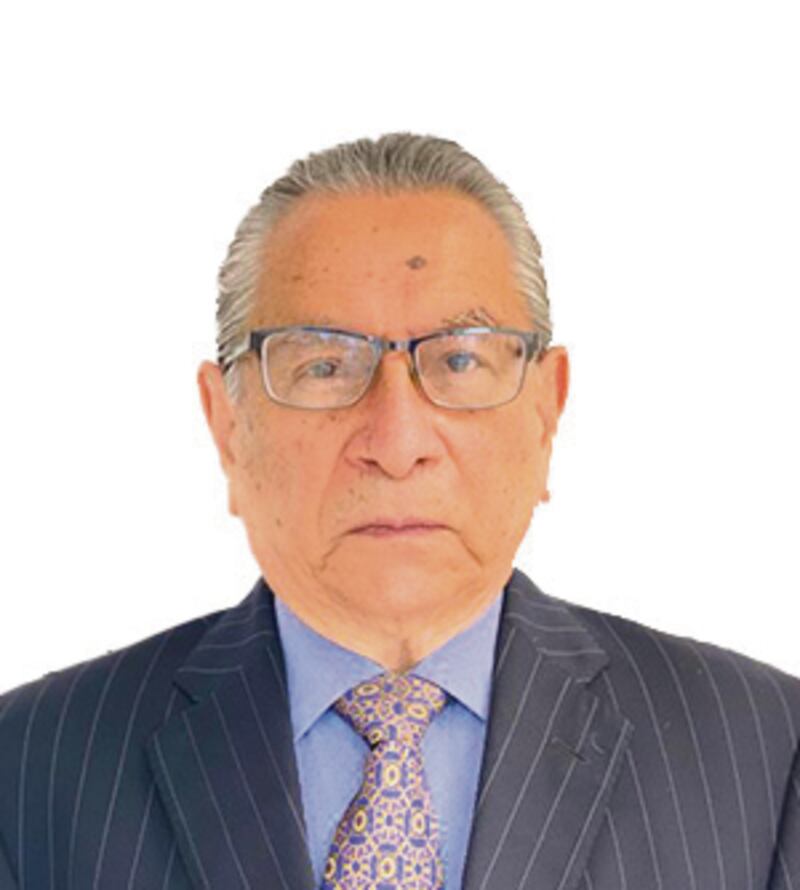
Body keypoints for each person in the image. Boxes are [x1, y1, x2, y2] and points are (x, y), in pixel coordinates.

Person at [0, 133, 797, 890]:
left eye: (459, 360)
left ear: (546, 411)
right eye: (324, 366)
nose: (397, 442)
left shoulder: (766, 752)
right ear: (227, 425)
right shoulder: (30, 766)